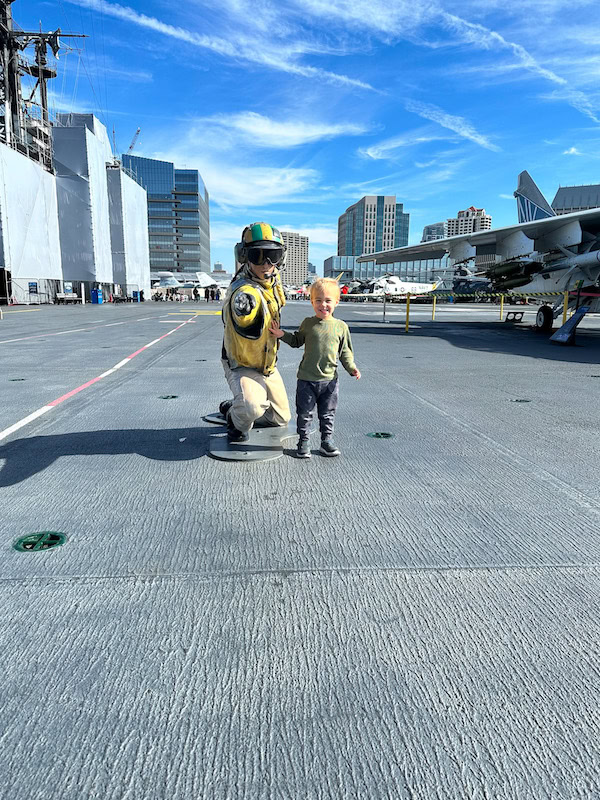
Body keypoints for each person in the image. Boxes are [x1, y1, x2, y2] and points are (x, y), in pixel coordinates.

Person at [269, 277, 360, 458]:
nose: (323, 305)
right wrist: (281, 334)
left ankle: (326, 441)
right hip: (306, 379)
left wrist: (351, 368)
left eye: (328, 300)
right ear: (311, 301)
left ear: (336, 301)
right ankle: (303, 441)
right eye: (318, 300)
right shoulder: (308, 323)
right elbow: (296, 341)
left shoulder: (341, 327)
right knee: (304, 413)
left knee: (327, 414)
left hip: (330, 381)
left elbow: (345, 352)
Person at [220, 222, 291, 443]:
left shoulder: (273, 280)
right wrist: (245, 308)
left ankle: (236, 406)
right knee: (253, 407)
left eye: (273, 256)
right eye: (258, 256)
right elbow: (244, 311)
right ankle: (236, 419)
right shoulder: (244, 291)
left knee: (281, 419)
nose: (267, 264)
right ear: (245, 257)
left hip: (266, 364)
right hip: (242, 363)